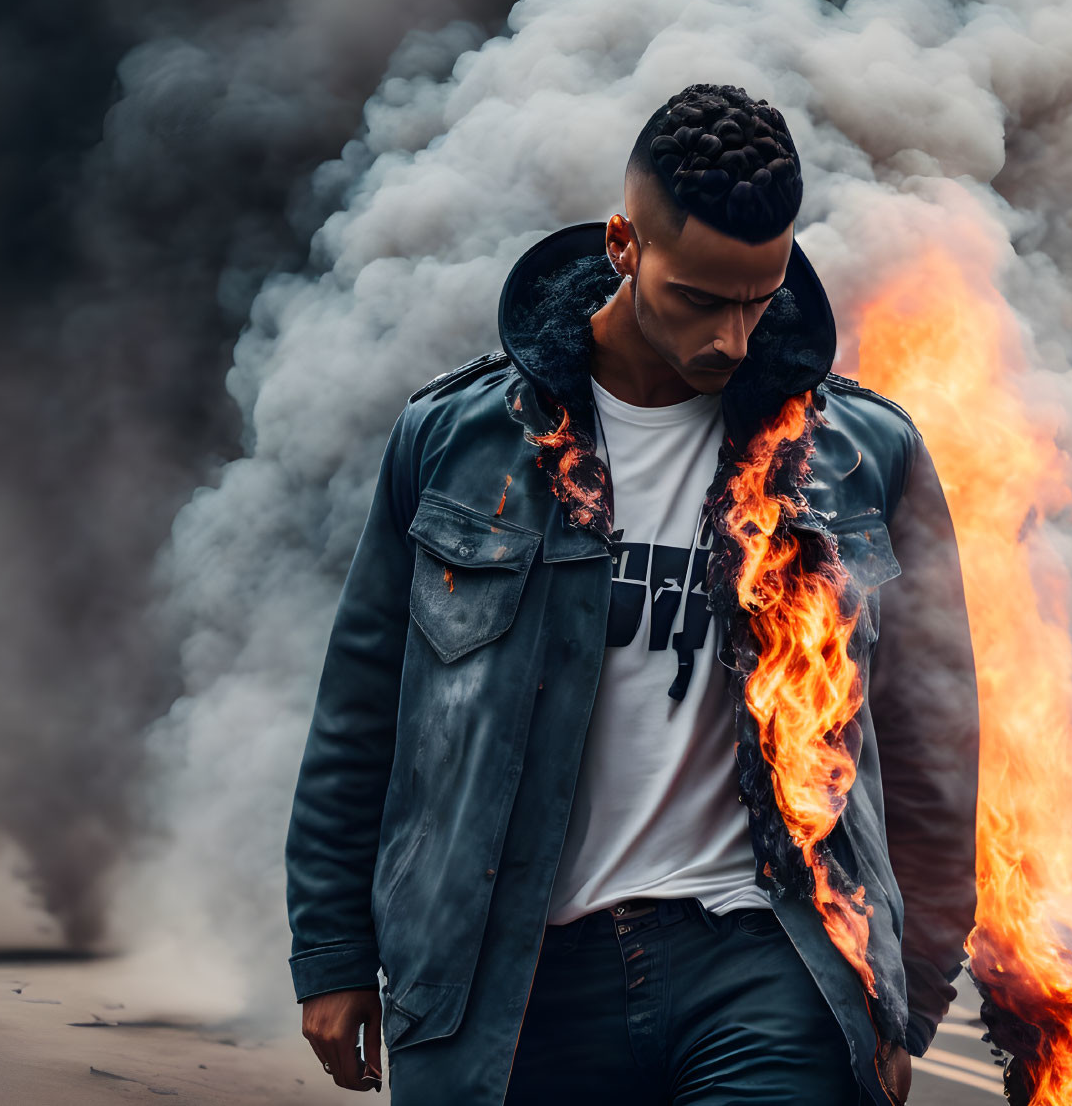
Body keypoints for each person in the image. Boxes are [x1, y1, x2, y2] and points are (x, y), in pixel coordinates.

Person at [285, 83, 980, 1104]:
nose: (733, 339)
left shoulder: (859, 456)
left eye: (760, 296)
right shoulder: (457, 443)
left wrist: (906, 988)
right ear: (622, 244)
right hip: (508, 976)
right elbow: (359, 717)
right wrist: (333, 952)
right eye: (699, 298)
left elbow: (931, 743)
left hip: (767, 960)